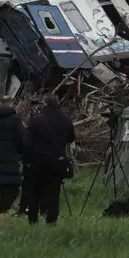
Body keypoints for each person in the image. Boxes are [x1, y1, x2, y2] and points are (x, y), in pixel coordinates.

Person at [23, 94, 75, 225]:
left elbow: (27, 143)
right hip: (57, 160)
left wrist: (27, 160)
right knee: (54, 192)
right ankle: (51, 220)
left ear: (44, 103)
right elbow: (70, 138)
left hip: (38, 160)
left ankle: (33, 219)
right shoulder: (66, 119)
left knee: (35, 191)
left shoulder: (36, 120)